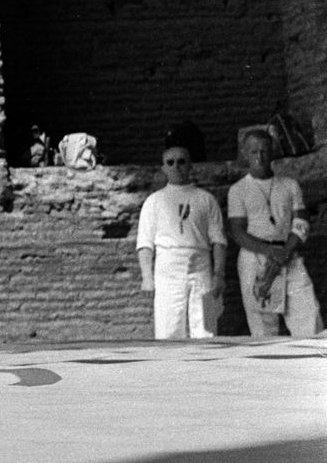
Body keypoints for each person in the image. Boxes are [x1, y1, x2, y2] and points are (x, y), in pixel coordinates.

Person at [226, 127, 321, 338]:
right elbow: (237, 231)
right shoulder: (238, 190)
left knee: (309, 318)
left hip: (289, 255)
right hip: (256, 258)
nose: (259, 157)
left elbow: (301, 221)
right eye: (253, 152)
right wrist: (270, 251)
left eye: (264, 151)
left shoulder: (289, 185)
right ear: (245, 154)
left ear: (272, 153)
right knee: (263, 329)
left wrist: (285, 252)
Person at [135, 134, 228, 340]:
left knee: (206, 329)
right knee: (168, 329)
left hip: (201, 267)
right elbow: (145, 242)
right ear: (163, 168)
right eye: (170, 162)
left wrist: (219, 275)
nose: (176, 166)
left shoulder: (206, 199)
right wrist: (147, 277)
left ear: (190, 166)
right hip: (168, 268)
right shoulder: (154, 201)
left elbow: (219, 240)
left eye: (181, 161)